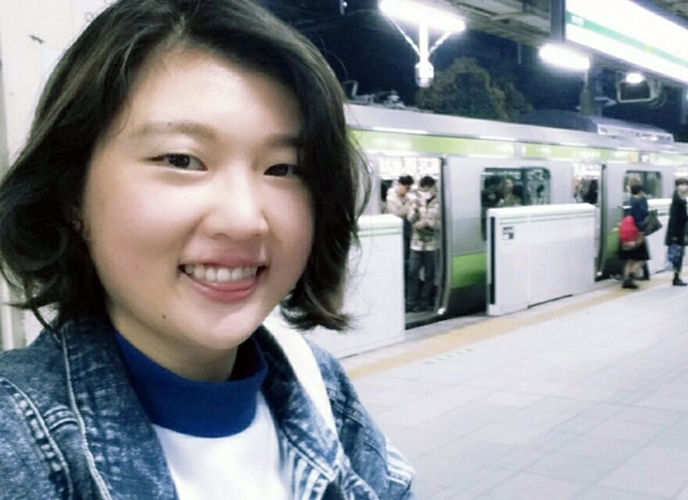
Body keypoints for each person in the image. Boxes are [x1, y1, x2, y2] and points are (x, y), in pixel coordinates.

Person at [0, 1, 415, 499]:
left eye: (283, 168)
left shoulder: (320, 387)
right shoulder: (18, 443)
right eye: (181, 159)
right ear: (71, 193)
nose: (244, 219)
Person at [406, 176, 440, 312]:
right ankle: (411, 302)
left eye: (426, 190)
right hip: (416, 243)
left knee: (429, 275)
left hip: (432, 244)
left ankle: (424, 302)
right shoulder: (417, 201)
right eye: (422, 190)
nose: (424, 193)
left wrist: (427, 223)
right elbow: (410, 219)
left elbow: (441, 224)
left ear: (432, 188)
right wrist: (414, 210)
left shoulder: (439, 204)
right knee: (412, 273)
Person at [619, 184, 650, 289]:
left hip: (626, 232)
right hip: (636, 233)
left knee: (630, 259)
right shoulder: (640, 202)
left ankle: (625, 279)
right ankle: (631, 278)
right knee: (641, 259)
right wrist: (641, 233)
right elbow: (640, 219)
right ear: (640, 191)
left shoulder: (629, 201)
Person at [385, 175, 414, 278]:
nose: (407, 191)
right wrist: (407, 206)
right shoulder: (391, 198)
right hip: (397, 231)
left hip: (408, 230)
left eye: (409, 188)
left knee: (408, 256)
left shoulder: (406, 197)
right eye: (406, 188)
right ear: (399, 185)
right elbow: (394, 215)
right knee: (400, 256)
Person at [666, 178, 688, 286]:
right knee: (677, 255)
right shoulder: (678, 200)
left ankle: (676, 276)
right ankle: (676, 277)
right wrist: (674, 235)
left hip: (679, 232)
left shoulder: (680, 198)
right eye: (682, 185)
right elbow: (675, 219)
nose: (685, 187)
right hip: (677, 233)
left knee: (678, 254)